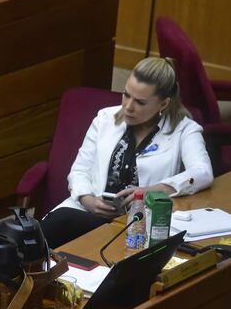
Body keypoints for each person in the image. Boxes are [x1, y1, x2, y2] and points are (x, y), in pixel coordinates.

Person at [41, 57, 214, 248]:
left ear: (163, 104)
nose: (128, 106)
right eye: (126, 95)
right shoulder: (104, 119)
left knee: (59, 223)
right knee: (34, 233)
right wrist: (88, 200)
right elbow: (79, 170)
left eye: (140, 102)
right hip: (89, 212)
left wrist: (153, 190)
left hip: (137, 225)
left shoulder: (184, 130)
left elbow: (202, 172)